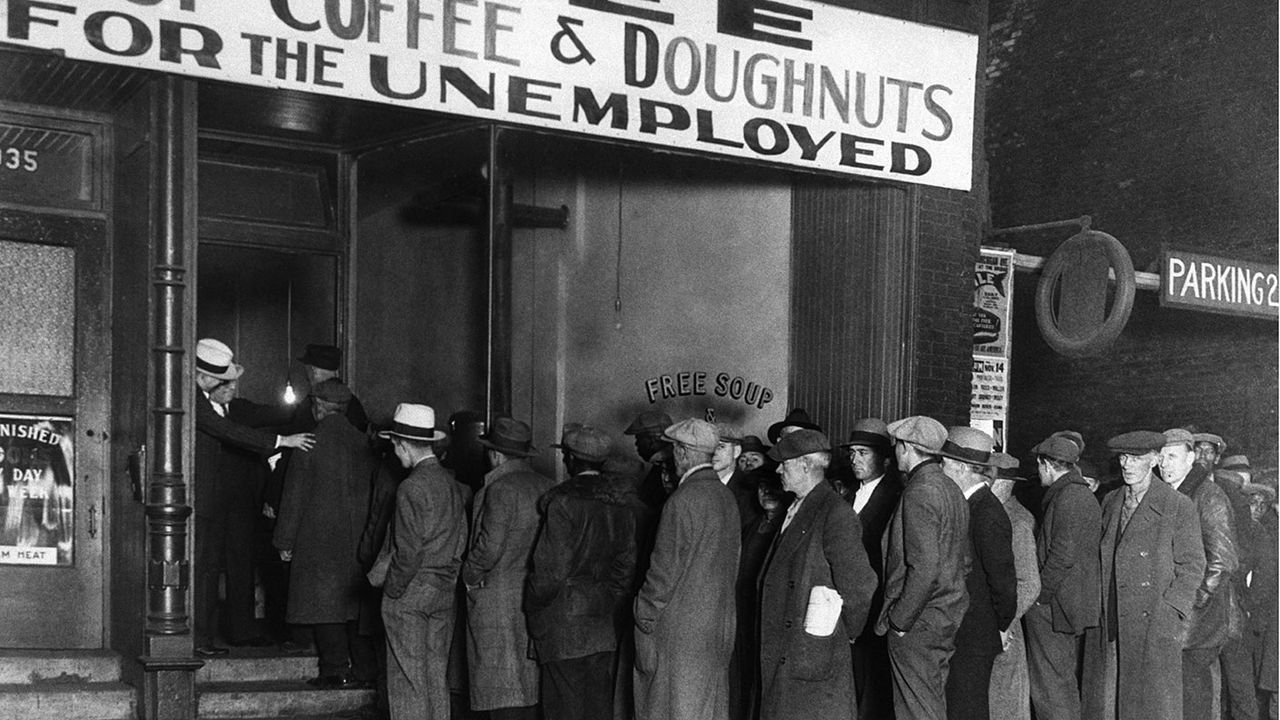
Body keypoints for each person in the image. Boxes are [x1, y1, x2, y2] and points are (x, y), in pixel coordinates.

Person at [192, 337, 314, 657]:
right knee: (204, 568)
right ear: (204, 377)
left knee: (231, 565)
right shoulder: (193, 401)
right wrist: (282, 441)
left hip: (234, 504)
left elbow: (267, 416)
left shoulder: (211, 399)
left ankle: (219, 636)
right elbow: (227, 431)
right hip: (205, 502)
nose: (229, 387)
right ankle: (200, 638)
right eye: (223, 382)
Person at [1082, 430, 1205, 720]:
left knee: (1151, 707)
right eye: (1123, 457)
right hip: (1113, 618)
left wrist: (1170, 609)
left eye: (1136, 458)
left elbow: (1193, 564)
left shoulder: (1176, 506)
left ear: (1154, 460)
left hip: (1153, 625)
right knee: (1109, 702)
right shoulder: (1111, 501)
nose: (1127, 464)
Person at [757, 429, 875, 720]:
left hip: (810, 656)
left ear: (805, 464)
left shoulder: (835, 513)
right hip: (790, 653)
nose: (778, 469)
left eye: (784, 463)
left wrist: (834, 633)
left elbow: (860, 586)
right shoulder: (797, 507)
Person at [526, 424, 639, 720]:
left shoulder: (562, 503)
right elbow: (624, 572)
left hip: (562, 626)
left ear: (571, 460)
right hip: (601, 626)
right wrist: (604, 600)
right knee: (597, 711)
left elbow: (549, 573)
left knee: (563, 710)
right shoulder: (621, 507)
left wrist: (534, 609)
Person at [272, 379, 377, 688]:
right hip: (359, 538)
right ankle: (366, 670)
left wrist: (284, 541)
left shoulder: (309, 443)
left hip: (318, 539)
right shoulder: (364, 443)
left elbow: (294, 497)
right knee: (353, 607)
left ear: (317, 407)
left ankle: (334, 670)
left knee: (324, 605)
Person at [633, 419, 739, 720]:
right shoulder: (726, 497)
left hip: (680, 635)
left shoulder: (682, 500)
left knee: (669, 709)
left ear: (682, 452)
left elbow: (661, 576)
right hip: (717, 628)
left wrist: (642, 615)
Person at [372, 403, 468, 720]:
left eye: (394, 447)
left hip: (412, 592)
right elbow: (462, 537)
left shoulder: (411, 487)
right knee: (434, 678)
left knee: (407, 681)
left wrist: (394, 592)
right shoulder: (453, 485)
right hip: (444, 591)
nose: (394, 453)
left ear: (402, 444)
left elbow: (407, 553)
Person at [876, 415, 970, 720]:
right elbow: (963, 561)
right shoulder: (951, 489)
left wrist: (900, 621)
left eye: (897, 447)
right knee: (930, 706)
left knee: (916, 712)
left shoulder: (919, 491)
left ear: (906, 448)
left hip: (918, 622)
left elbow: (925, 568)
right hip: (944, 616)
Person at [463, 418, 555, 720]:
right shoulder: (547, 486)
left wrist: (469, 577)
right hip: (534, 595)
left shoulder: (498, 489)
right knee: (528, 683)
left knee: (499, 686)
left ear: (495, 455)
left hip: (496, 599)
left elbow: (488, 548)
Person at [1160, 428, 1239, 720]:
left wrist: (1193, 600)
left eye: (1172, 456)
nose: (1164, 464)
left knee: (1193, 699)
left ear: (1191, 458)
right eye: (1161, 456)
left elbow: (1223, 560)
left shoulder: (1208, 496)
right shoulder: (1174, 494)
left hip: (1197, 622)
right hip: (1180, 617)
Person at [940, 427, 1016, 720]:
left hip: (976, 634)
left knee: (968, 708)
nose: (940, 468)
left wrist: (1002, 624)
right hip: (964, 631)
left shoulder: (986, 512)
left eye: (944, 463)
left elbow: (1004, 581)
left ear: (960, 467)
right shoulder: (967, 505)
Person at [1025, 432, 1101, 720]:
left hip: (1055, 608)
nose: (1038, 472)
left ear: (1047, 465)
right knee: (1061, 682)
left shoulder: (1068, 498)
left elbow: (1061, 557)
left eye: (1039, 466)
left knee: (1050, 687)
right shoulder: (1079, 494)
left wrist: (1038, 597)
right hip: (1068, 606)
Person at [839, 417, 903, 720]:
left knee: (873, 686)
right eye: (852, 453)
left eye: (863, 453)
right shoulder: (849, 495)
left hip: (875, 605)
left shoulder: (894, 499)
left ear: (886, 460)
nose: (855, 460)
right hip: (849, 604)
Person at [732, 472, 791, 720]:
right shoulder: (754, 525)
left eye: (773, 487)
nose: (766, 492)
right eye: (761, 487)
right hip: (744, 614)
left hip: (768, 618)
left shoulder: (785, 528)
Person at [986, 452, 1041, 720]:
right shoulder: (994, 514)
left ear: (1003, 484)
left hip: (1006, 628)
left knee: (1005, 703)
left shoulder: (1017, 522)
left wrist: (1002, 623)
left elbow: (1029, 583)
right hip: (994, 624)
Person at [1239, 481, 1278, 720]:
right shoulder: (1243, 532)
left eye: (1262, 505)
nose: (1257, 509)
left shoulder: (1269, 535)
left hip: (1262, 619)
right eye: (1252, 503)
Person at [713, 422, 760, 529]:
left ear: (736, 451)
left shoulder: (749, 491)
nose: (714, 452)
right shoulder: (701, 484)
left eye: (721, 446)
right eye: (711, 447)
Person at [625, 409, 674, 509]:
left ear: (654, 439)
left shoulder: (671, 467)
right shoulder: (661, 464)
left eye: (639, 439)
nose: (636, 444)